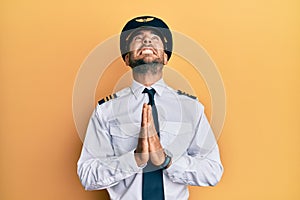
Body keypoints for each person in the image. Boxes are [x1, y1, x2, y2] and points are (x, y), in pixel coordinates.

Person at [77, 16, 223, 200]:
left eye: (155, 38)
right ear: (127, 58)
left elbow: (212, 171)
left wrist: (166, 161)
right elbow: (87, 175)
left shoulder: (191, 108)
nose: (146, 40)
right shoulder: (106, 111)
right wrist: (135, 159)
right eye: (138, 38)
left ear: (165, 57)